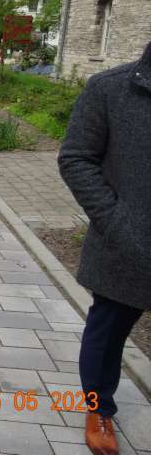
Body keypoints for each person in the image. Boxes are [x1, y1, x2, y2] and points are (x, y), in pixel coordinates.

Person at [58, 41, 151, 455]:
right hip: (126, 244)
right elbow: (76, 158)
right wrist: (119, 224)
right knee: (108, 332)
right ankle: (98, 408)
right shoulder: (112, 89)